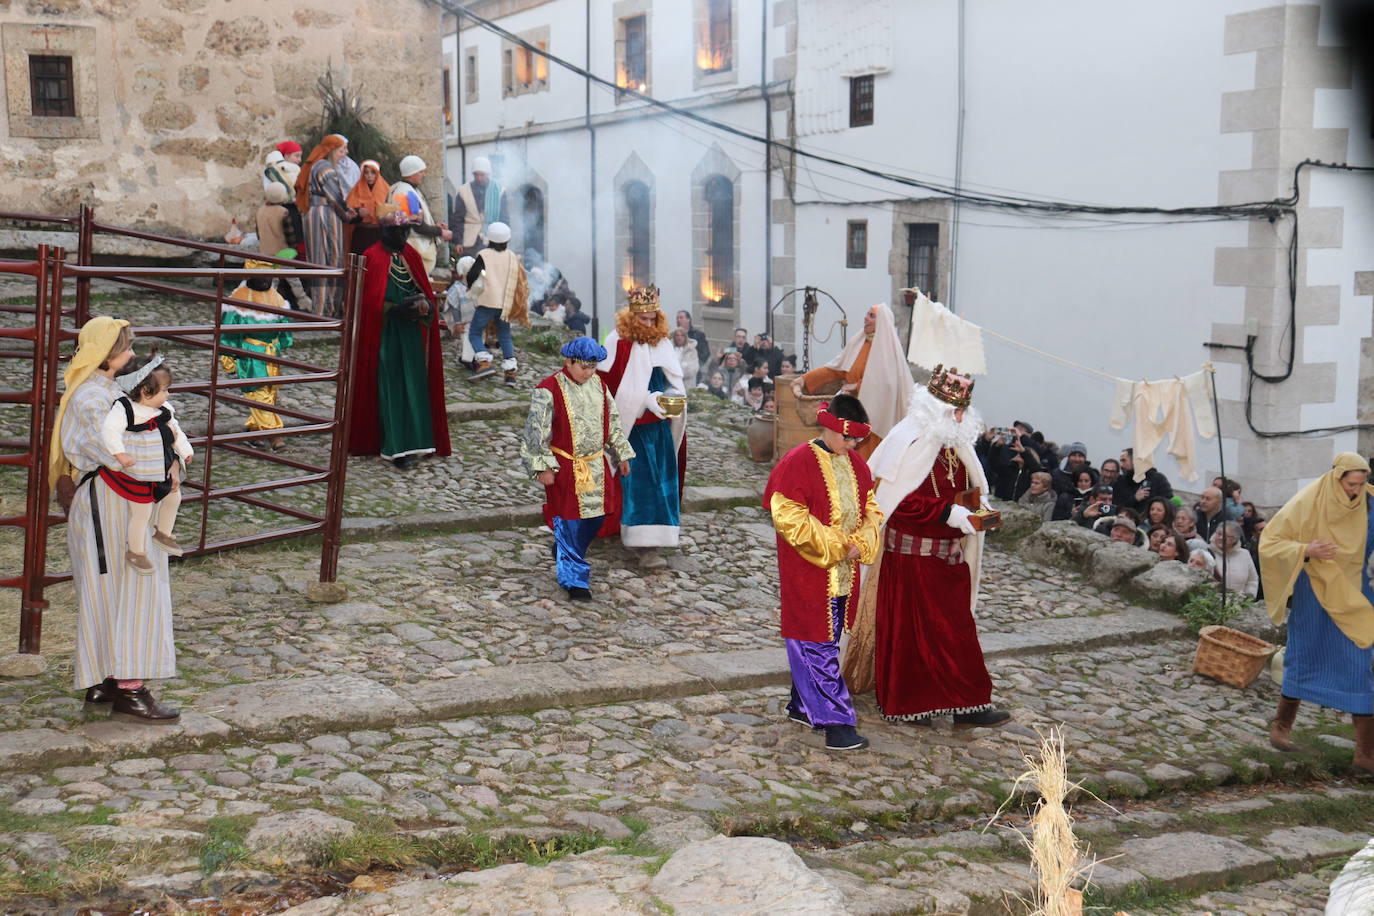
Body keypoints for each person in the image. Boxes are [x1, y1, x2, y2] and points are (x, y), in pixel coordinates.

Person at [848, 366, 1011, 728]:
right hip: (910, 563)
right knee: (913, 637)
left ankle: (970, 706)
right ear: (934, 407)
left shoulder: (958, 444)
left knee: (958, 634)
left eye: (963, 412)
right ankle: (912, 705)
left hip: (949, 564)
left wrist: (978, 511)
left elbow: (966, 491)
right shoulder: (908, 441)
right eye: (954, 411)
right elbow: (894, 504)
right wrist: (948, 514)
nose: (959, 418)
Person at [49, 317, 180, 722]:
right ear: (109, 354)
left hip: (114, 497)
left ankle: (106, 677)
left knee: (113, 587)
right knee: (132, 587)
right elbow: (125, 451)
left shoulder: (104, 392)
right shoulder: (95, 399)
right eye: (126, 347)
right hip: (115, 498)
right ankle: (130, 688)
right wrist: (169, 461)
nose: (131, 354)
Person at [763, 394, 882, 751]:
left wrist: (862, 541)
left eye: (857, 440)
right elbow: (787, 514)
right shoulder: (798, 461)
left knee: (827, 639)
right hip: (809, 569)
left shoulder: (857, 465)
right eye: (848, 438)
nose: (852, 445)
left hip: (844, 573)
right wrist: (835, 546)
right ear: (830, 427)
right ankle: (837, 722)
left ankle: (803, 705)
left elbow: (871, 508)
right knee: (814, 641)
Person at [1260, 453, 1374, 774]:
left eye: (1361, 483)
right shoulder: (1310, 500)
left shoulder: (1370, 504)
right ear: (1337, 478)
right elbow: (1271, 541)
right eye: (1351, 484)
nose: (1356, 490)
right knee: (1304, 654)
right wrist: (1306, 550)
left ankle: (1365, 754)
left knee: (1358, 659)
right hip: (1314, 592)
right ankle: (1280, 728)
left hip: (1356, 592)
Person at [520, 338, 635, 601]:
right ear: (568, 362)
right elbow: (535, 434)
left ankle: (564, 549)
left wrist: (621, 454)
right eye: (584, 367)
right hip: (565, 467)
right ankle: (575, 581)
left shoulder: (599, 386)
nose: (589, 372)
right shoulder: (547, 390)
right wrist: (542, 467)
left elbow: (612, 423)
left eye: (593, 367)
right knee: (569, 521)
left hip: (596, 464)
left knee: (596, 518)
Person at [348, 211, 452, 468]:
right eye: (398, 231)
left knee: (414, 387)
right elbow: (366, 304)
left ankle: (416, 441)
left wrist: (425, 306)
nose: (403, 236)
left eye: (405, 231)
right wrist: (391, 309)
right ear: (385, 232)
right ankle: (395, 448)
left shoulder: (411, 256)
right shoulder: (372, 257)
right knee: (391, 388)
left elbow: (423, 290)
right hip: (384, 335)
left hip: (412, 335)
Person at [597, 285, 687, 548]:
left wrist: (672, 398)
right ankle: (643, 542)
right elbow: (608, 387)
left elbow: (674, 381)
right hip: (631, 427)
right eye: (642, 319)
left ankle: (657, 536)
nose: (648, 324)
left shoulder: (663, 342)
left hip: (659, 427)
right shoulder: (617, 341)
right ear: (631, 317)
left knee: (663, 480)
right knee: (640, 483)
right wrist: (645, 399)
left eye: (652, 319)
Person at [101, 354, 193, 573]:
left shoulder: (165, 409)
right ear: (144, 391)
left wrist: (185, 450)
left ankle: (163, 532)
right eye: (164, 390)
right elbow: (110, 430)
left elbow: (176, 430)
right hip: (138, 472)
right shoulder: (124, 409)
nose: (167, 394)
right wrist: (120, 453)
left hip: (160, 466)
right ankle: (136, 552)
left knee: (174, 496)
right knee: (141, 512)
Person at [793, 304, 911, 461]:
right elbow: (837, 369)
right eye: (867, 314)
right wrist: (804, 379)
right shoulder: (859, 342)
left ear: (881, 322)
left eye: (871, 315)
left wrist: (857, 386)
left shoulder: (886, 349)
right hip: (852, 412)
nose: (865, 318)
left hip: (875, 418)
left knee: (867, 461)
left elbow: (886, 383)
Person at [220, 261, 296, 449]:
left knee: (269, 394)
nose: (265, 280)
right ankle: (275, 436)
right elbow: (228, 333)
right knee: (258, 394)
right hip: (250, 355)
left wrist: (283, 341)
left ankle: (254, 433)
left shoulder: (277, 298)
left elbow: (285, 328)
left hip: (271, 354)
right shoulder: (239, 299)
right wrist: (229, 358)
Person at [295, 134, 354, 316]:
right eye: (342, 150)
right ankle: (325, 310)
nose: (344, 154)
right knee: (329, 259)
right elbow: (334, 196)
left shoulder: (316, 166)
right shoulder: (325, 168)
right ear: (332, 151)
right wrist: (347, 213)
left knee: (318, 260)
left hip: (315, 213)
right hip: (324, 215)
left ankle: (322, 309)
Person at [465, 222, 530, 386]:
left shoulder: (484, 254)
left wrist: (471, 286)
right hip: (506, 304)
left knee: (474, 332)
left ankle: (484, 361)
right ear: (507, 240)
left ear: (489, 239)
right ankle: (510, 374)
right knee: (505, 337)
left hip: (487, 301)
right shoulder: (512, 256)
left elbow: (472, 274)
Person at [389, 155, 452, 277]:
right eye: (421, 172)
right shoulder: (408, 193)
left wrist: (433, 226)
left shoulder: (399, 188)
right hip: (412, 247)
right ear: (412, 173)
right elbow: (417, 225)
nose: (423, 175)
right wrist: (440, 232)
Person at [452, 156, 509, 255]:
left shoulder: (499, 191)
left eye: (482, 175)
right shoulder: (463, 191)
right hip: (470, 240)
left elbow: (504, 218)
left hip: (492, 239)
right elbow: (458, 219)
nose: (479, 178)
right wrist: (458, 241)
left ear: (488, 174)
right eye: (476, 175)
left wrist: (504, 240)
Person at [345, 159, 391, 256]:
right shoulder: (355, 191)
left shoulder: (387, 190)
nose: (369, 176)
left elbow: (393, 213)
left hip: (379, 235)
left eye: (373, 172)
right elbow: (347, 216)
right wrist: (358, 213)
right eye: (366, 173)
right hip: (361, 235)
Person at [1115, 447, 1174, 512]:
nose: (1121, 465)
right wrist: (1134, 499)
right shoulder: (1121, 481)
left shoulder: (1158, 479)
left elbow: (1168, 503)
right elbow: (1117, 506)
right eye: (1121, 461)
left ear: (1135, 461)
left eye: (1124, 461)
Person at [1211, 520, 1258, 597]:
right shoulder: (1207, 552)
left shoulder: (1244, 554)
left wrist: (1249, 597)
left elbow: (1252, 579)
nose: (1220, 538)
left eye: (1226, 536)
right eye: (1219, 534)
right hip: (1214, 602)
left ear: (1235, 539)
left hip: (1239, 604)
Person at [675, 310, 710, 383]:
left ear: (688, 319)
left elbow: (705, 353)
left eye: (681, 318)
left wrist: (695, 364)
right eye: (677, 318)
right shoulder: (673, 336)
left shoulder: (698, 335)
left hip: (693, 371)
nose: (678, 320)